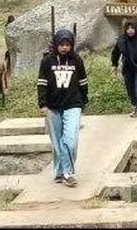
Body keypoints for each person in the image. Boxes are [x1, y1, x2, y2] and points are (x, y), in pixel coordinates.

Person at [38, 29, 88, 188]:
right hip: (52, 107)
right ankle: (60, 171)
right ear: (56, 45)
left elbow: (83, 83)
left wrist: (83, 101)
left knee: (70, 140)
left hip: (73, 104)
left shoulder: (77, 60)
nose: (65, 48)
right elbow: (42, 84)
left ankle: (67, 172)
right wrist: (43, 104)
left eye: (68, 44)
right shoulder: (47, 61)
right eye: (62, 44)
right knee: (57, 141)